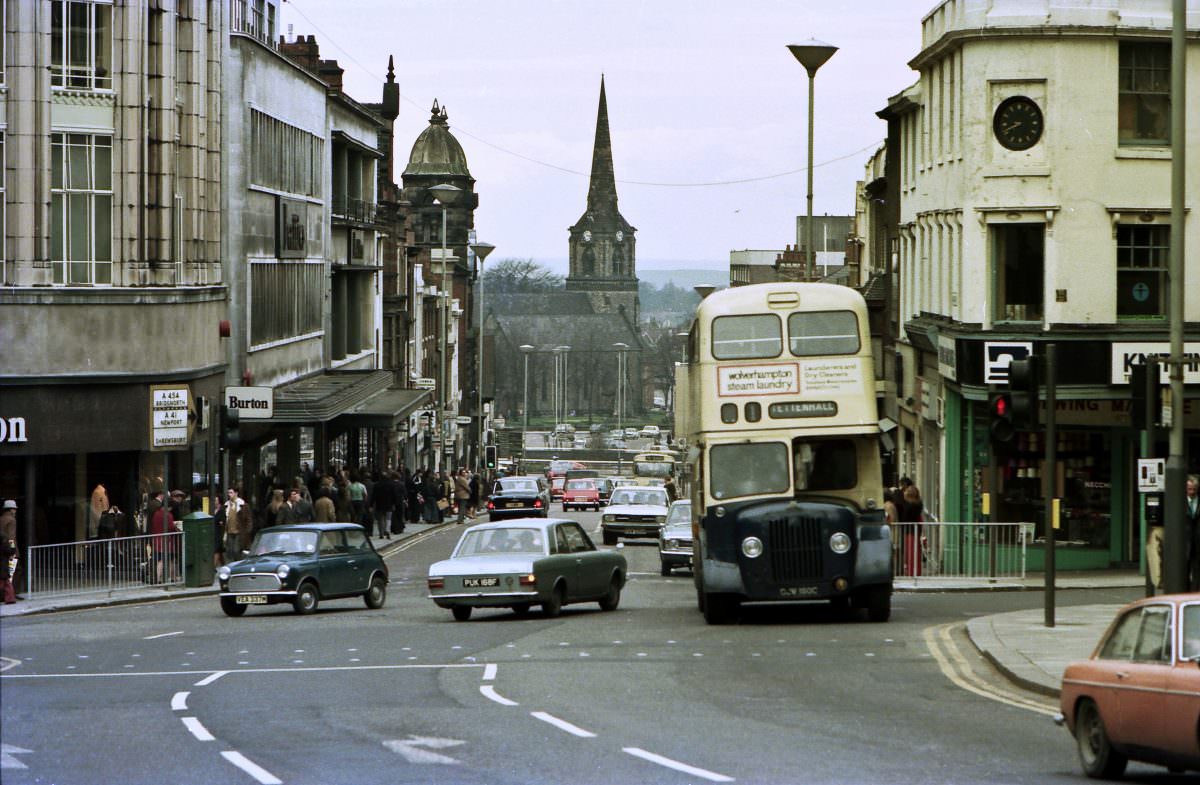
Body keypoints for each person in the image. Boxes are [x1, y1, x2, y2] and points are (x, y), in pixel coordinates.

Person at [898, 484, 925, 577]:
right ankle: (916, 572)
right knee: (916, 552)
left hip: (909, 530)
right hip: (915, 530)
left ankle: (911, 572)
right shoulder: (918, 503)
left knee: (910, 553)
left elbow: (905, 518)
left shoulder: (909, 505)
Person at [1, 500, 20, 602]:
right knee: (16, 571)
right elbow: (11, 537)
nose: (15, 511)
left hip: (2, 549)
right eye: (14, 509)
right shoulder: (12, 520)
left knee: (4, 572)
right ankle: (12, 594)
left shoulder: (1, 519)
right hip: (9, 549)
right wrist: (12, 551)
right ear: (11, 509)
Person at [370, 471, 396, 539]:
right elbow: (394, 495)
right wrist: (394, 504)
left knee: (380, 520)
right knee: (388, 519)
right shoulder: (391, 485)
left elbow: (373, 496)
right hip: (389, 504)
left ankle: (381, 533)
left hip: (379, 504)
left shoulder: (376, 485)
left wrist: (371, 505)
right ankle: (387, 530)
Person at [1186, 475, 1199, 591]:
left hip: (1198, 541)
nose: (1192, 492)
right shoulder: (1180, 502)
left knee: (1197, 571)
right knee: (1184, 569)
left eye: (1194, 489)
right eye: (1189, 489)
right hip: (1185, 542)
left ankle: (1195, 592)